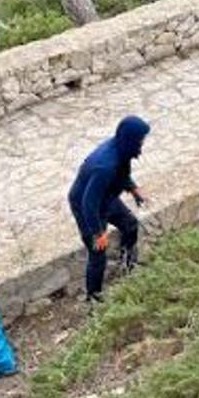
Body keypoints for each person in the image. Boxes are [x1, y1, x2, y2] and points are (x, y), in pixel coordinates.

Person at [68, 115, 150, 302]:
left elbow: (121, 173)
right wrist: (98, 232)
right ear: (130, 139)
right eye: (140, 139)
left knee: (130, 224)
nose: (142, 143)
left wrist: (133, 189)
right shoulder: (104, 165)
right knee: (97, 253)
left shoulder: (121, 150)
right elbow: (89, 203)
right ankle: (94, 297)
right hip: (85, 205)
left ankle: (127, 262)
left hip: (105, 197)